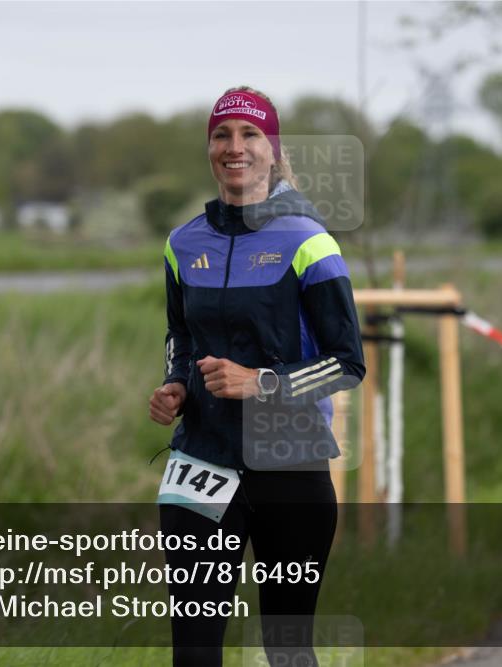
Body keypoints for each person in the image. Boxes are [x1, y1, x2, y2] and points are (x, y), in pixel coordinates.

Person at [148, 86, 365, 667]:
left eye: (250, 135)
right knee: (194, 650)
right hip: (201, 459)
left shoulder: (308, 241)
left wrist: (261, 383)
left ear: (273, 151)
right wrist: (175, 383)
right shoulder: (181, 244)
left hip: (288, 462)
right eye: (222, 134)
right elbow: (181, 335)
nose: (234, 147)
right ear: (209, 148)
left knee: (286, 649)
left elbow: (347, 363)